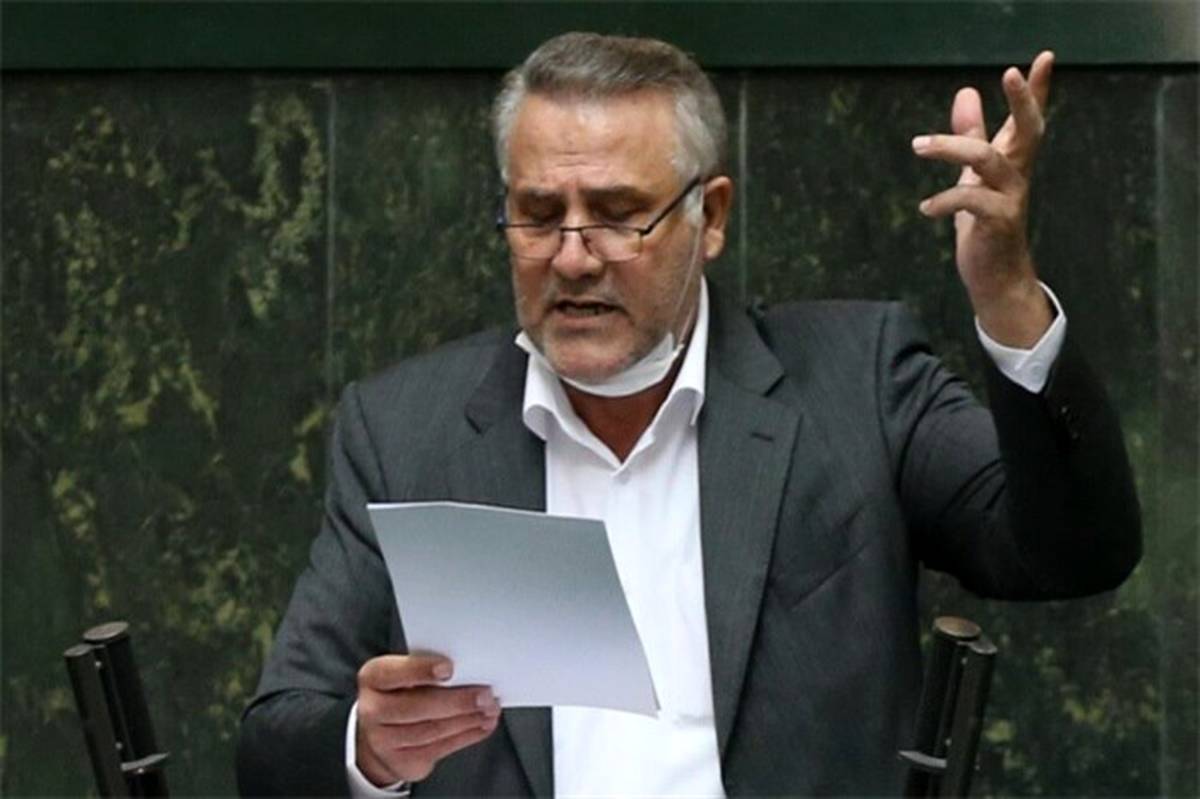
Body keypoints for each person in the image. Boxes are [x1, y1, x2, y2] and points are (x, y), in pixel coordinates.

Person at [236, 32, 1141, 797]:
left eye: (619, 215)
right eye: (539, 215)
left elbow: (1075, 550)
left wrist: (1008, 293)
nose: (574, 257)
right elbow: (274, 743)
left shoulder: (852, 385)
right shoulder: (406, 430)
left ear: (710, 217)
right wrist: (368, 746)